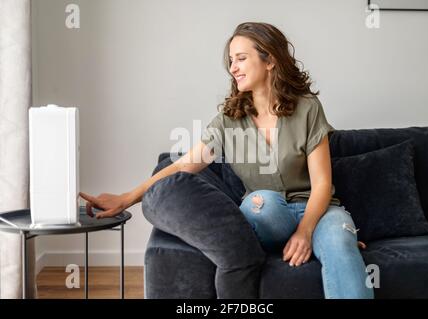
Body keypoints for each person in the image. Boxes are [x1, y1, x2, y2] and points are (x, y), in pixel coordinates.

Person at [80, 22, 374, 299]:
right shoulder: (228, 121)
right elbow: (183, 166)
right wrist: (126, 198)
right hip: (266, 216)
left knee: (339, 241)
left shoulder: (308, 109)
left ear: (269, 60)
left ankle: (333, 241)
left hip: (318, 212)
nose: (233, 68)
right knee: (262, 203)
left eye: (241, 58)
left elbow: (323, 183)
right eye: (231, 60)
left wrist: (308, 232)